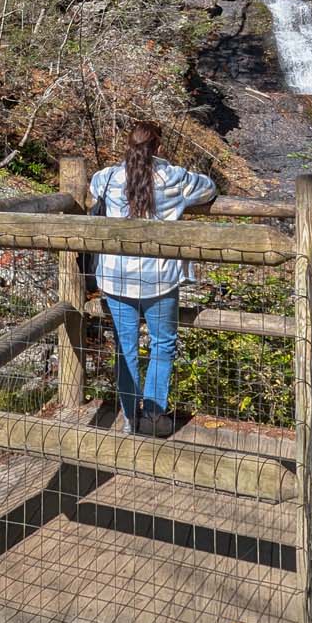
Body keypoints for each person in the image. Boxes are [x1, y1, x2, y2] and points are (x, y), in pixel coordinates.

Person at [89, 122, 217, 437]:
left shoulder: (108, 178)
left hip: (117, 279)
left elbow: (93, 187)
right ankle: (154, 416)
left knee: (125, 348)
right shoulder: (174, 178)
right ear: (158, 148)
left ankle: (131, 419)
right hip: (160, 280)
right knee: (162, 344)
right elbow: (209, 188)